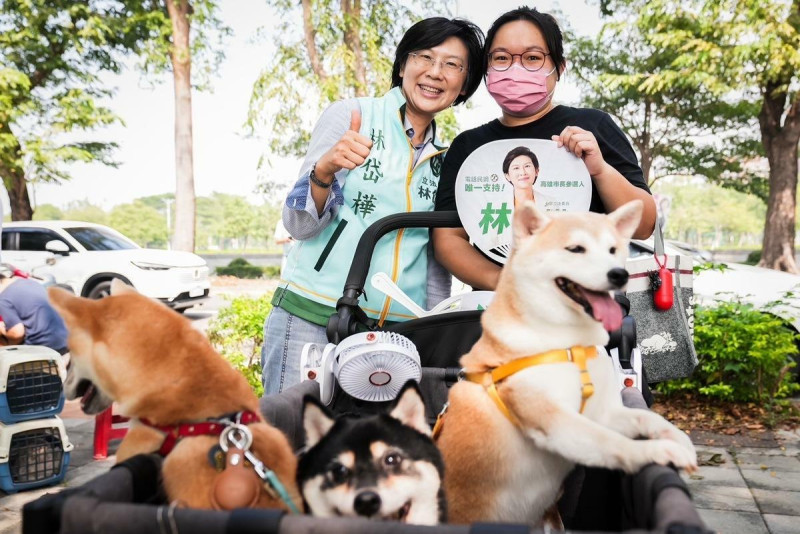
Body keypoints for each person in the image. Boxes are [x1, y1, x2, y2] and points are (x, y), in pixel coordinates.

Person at [261, 17, 485, 394]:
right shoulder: (352, 117)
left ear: (464, 85)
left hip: (396, 336)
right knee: (293, 441)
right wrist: (325, 170)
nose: (435, 72)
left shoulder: (448, 159)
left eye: (452, 64)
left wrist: (428, 327)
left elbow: (433, 261)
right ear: (402, 66)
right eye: (424, 57)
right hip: (313, 315)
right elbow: (298, 226)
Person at [433, 6, 656, 290]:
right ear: (487, 68)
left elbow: (644, 225)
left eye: (533, 58)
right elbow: (448, 239)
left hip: (582, 305)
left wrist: (600, 170)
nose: (515, 69)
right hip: (496, 308)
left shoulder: (593, 126)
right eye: (501, 58)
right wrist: (506, 283)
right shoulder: (469, 145)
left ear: (559, 68)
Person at [0, 265, 69, 354]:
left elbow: (17, 334)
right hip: (65, 340)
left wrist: (2, 330)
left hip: (43, 347)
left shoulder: (3, 299)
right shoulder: (29, 282)